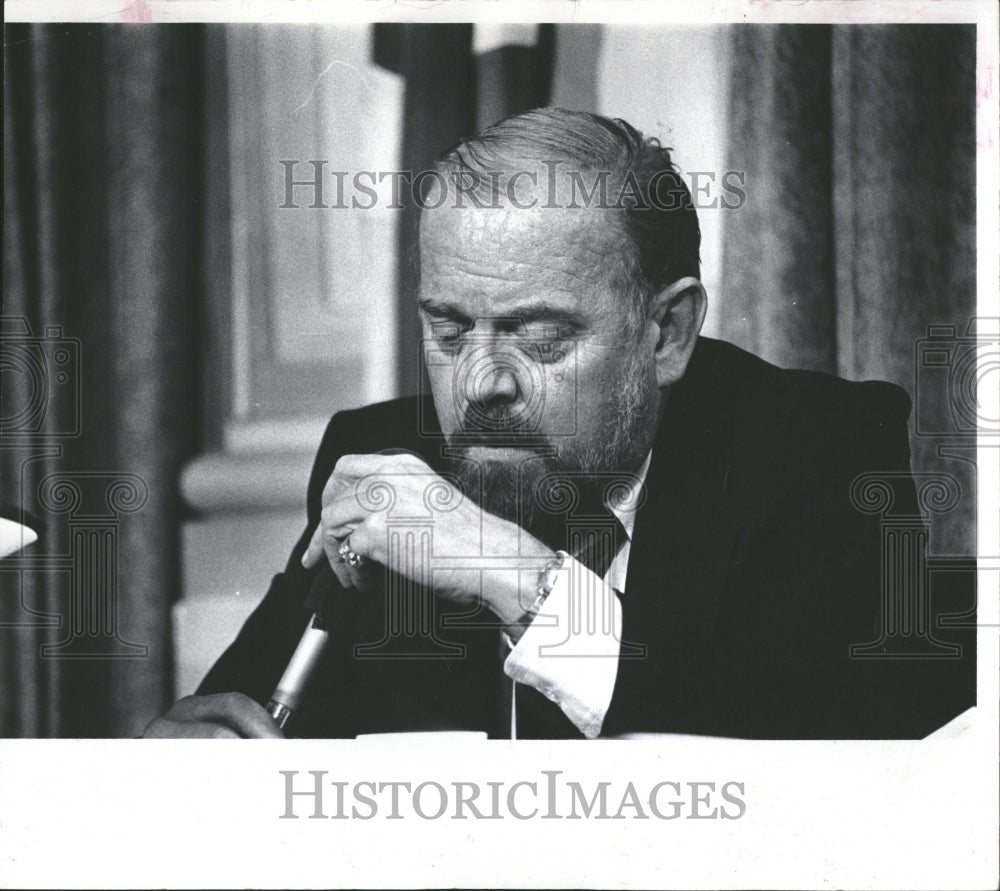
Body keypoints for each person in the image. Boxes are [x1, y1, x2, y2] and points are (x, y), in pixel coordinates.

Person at [144, 108, 973, 740]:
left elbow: (810, 752)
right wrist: (186, 759)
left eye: (540, 337)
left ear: (667, 333)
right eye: (447, 330)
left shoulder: (814, 448)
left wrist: (508, 568)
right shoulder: (383, 464)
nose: (481, 383)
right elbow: (236, 725)